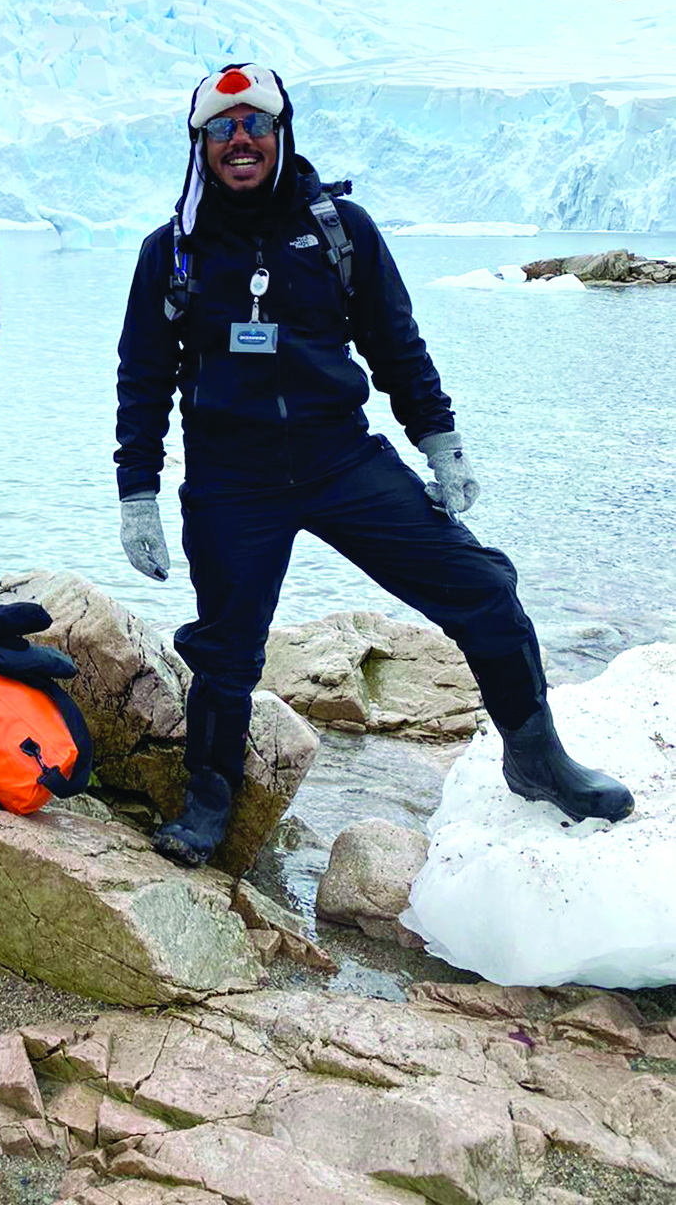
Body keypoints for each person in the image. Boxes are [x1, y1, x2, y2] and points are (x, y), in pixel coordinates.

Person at [115, 64, 634, 868]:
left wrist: (440, 441)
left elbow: (395, 342)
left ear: (281, 135)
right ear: (200, 146)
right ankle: (208, 802)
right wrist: (136, 491)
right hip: (231, 479)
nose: (240, 141)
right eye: (222, 129)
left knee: (487, 591)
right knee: (225, 653)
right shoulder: (173, 252)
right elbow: (142, 377)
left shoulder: (339, 230)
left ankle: (536, 759)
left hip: (341, 460)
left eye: (254, 125)